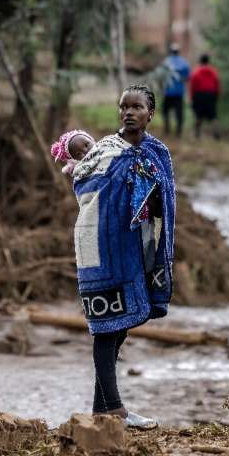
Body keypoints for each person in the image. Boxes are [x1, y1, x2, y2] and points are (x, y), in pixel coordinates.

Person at [71, 84, 176, 429]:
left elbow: (165, 200)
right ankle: (114, 409)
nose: (129, 112)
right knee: (106, 328)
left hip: (135, 247)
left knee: (121, 326)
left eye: (137, 107)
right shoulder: (105, 150)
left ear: (150, 114)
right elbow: (82, 184)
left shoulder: (156, 152)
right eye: (123, 107)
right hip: (99, 245)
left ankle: (101, 409)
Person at [189, 54, 221, 140]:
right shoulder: (213, 71)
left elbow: (193, 86)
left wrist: (192, 97)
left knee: (198, 115)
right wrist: (216, 95)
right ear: (208, 61)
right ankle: (216, 133)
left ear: (200, 61)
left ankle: (197, 134)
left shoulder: (196, 72)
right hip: (211, 95)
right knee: (213, 115)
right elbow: (217, 83)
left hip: (199, 95)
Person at [161, 43, 190, 137]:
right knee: (179, 113)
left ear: (171, 51)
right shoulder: (184, 63)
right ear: (178, 52)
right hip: (179, 92)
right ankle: (178, 131)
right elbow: (188, 77)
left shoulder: (166, 62)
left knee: (165, 111)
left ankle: (167, 129)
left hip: (168, 92)